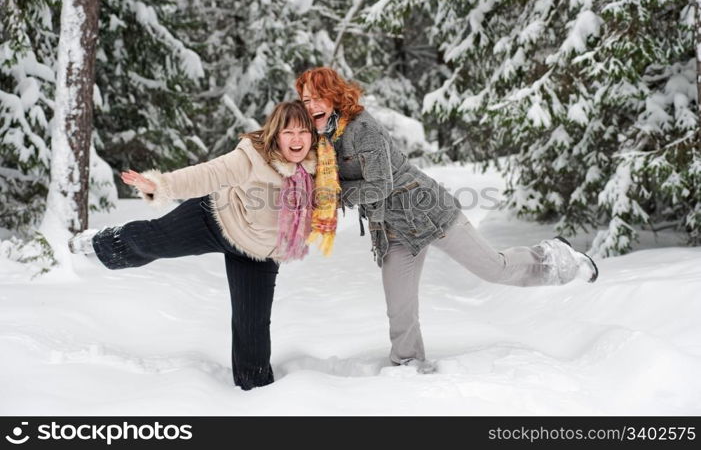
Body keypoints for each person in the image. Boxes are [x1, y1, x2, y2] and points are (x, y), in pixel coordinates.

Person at [295, 67, 598, 373]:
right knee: (400, 307)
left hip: (431, 213)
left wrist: (331, 193)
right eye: (306, 100)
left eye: (318, 97)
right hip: (393, 230)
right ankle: (409, 364)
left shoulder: (362, 127)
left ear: (335, 96)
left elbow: (379, 186)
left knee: (495, 268)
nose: (312, 106)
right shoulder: (323, 140)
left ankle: (560, 259)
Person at [68, 101, 317, 390]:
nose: (296, 139)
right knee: (152, 240)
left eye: (303, 132)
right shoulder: (252, 158)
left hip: (259, 253)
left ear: (312, 135)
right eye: (288, 132)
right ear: (275, 134)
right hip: (215, 219)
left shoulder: (320, 169)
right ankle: (97, 245)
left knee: (252, 329)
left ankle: (256, 394)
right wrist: (160, 185)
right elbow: (207, 174)